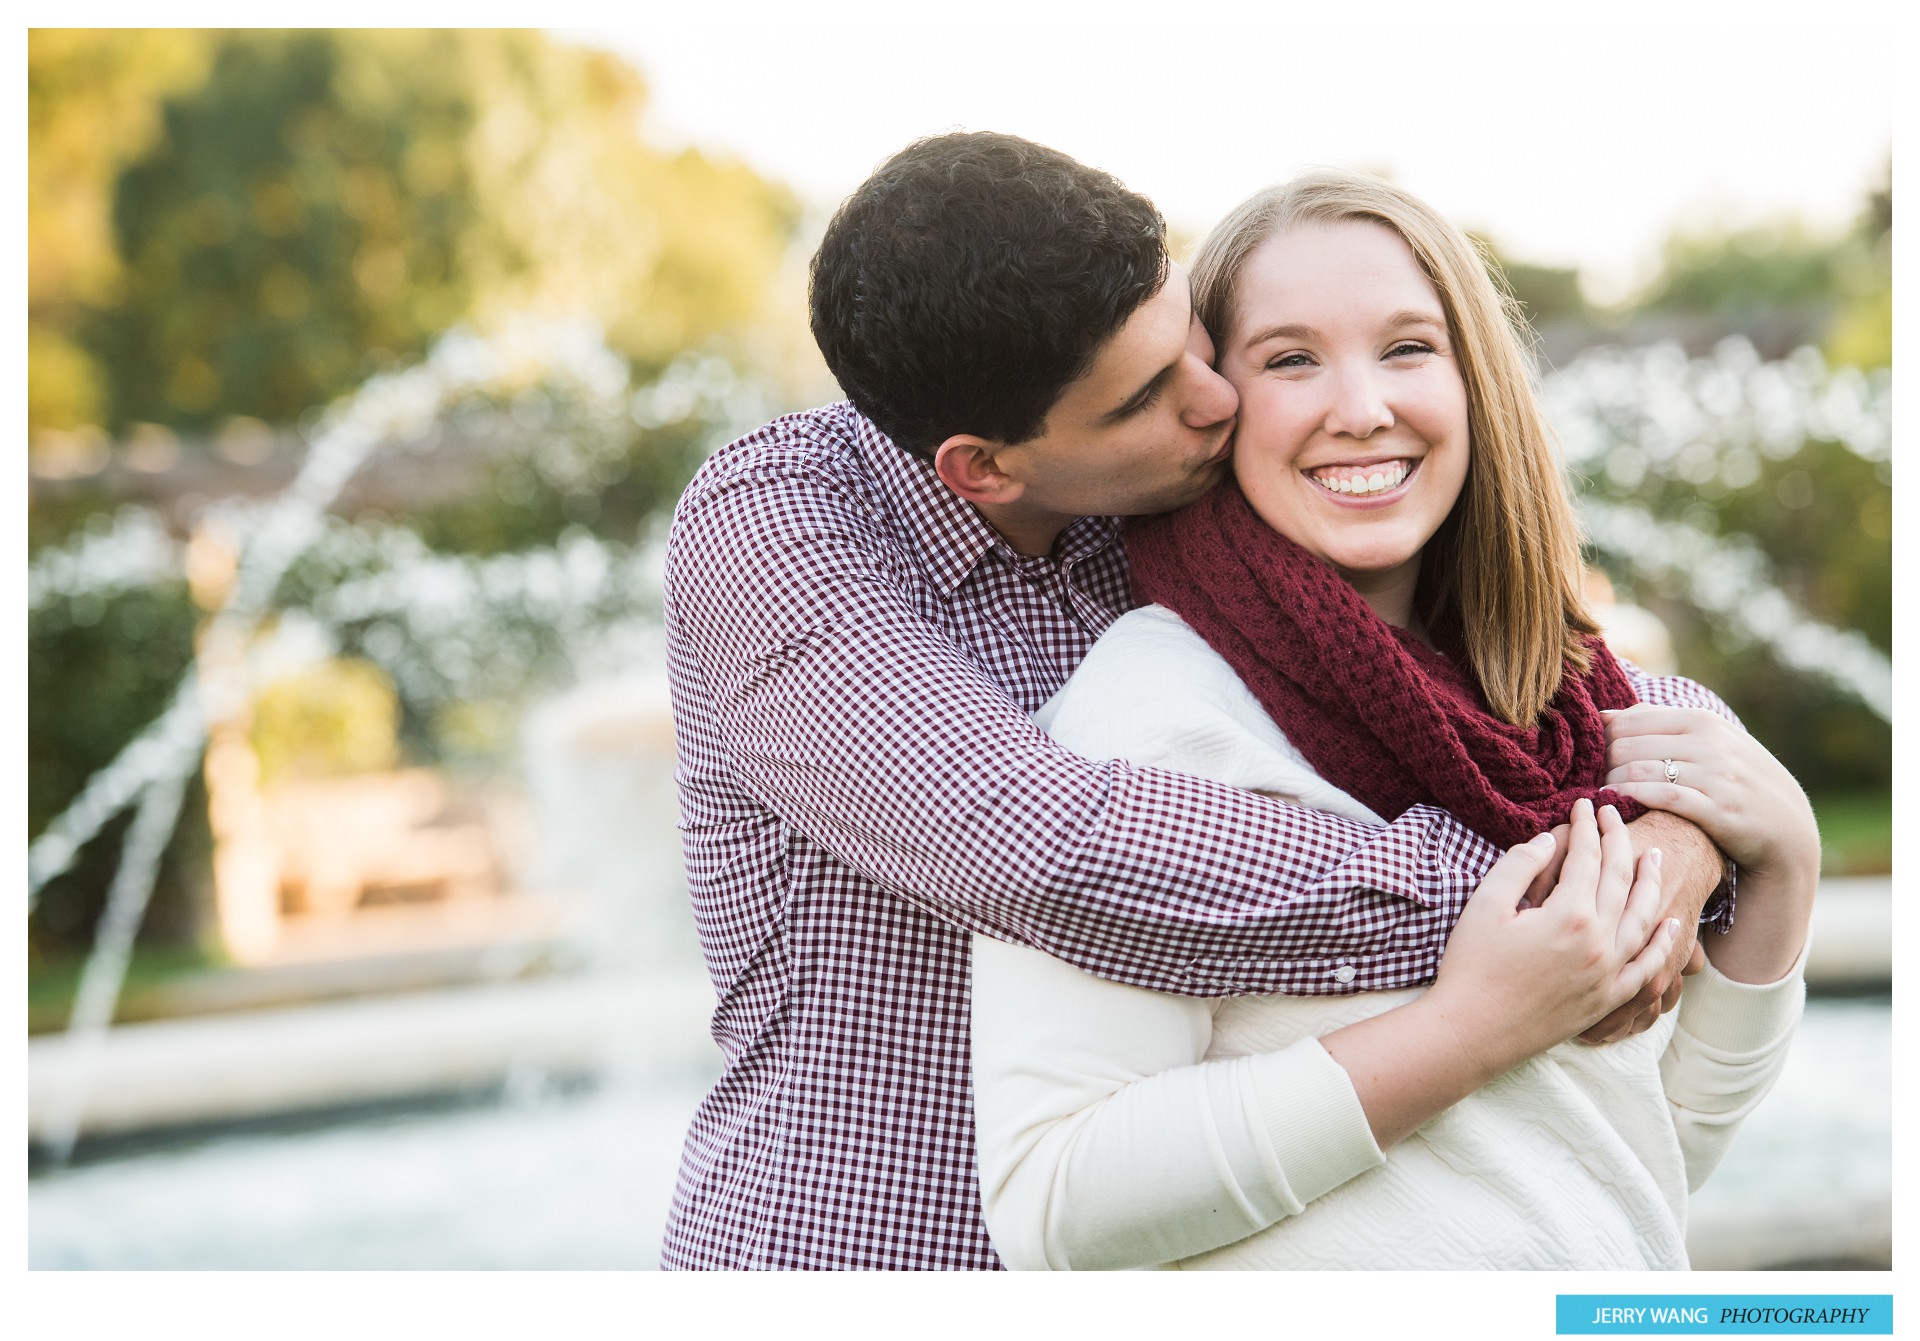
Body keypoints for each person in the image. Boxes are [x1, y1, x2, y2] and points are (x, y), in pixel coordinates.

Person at [659, 133, 1732, 1271]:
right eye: (1151, 393)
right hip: (869, 1262)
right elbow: (1044, 848)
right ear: (986, 469)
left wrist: (1680, 823)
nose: (1216, 397)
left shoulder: (1164, 495)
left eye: (1196, 340)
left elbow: (1489, 660)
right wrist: (1546, 894)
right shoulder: (781, 528)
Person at [969, 172, 1819, 1270]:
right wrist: (1467, 1031)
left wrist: (1783, 865)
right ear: (1211, 401)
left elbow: (1643, 1155)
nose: (1361, 406)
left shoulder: (1571, 709)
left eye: (1409, 347)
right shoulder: (1152, 714)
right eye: (1290, 359)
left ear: (1477, 382)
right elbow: (1055, 1205)